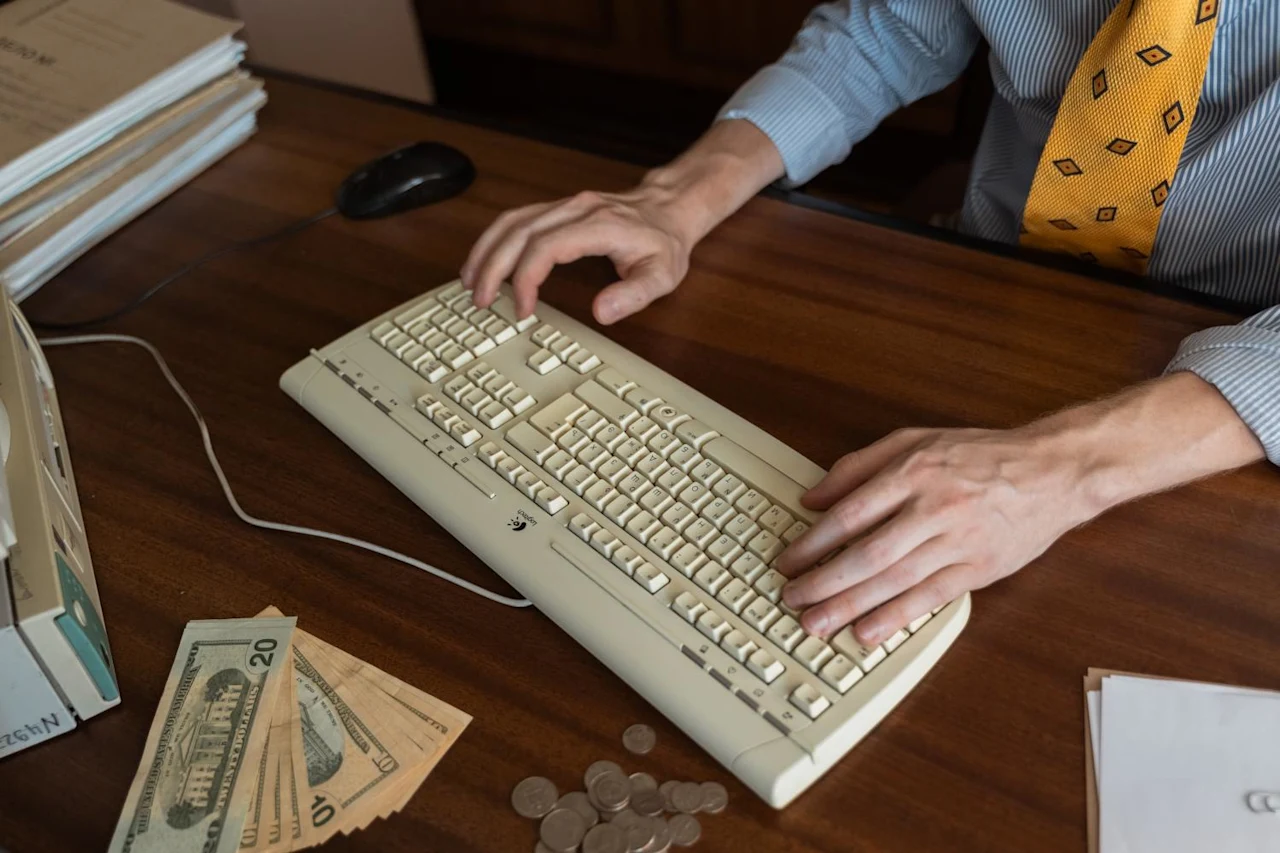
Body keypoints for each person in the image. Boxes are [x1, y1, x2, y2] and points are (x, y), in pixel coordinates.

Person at [459, 0, 1278, 650]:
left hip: (1224, 395)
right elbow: (886, 29)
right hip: (995, 289)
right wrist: (679, 196)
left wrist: (1066, 467)